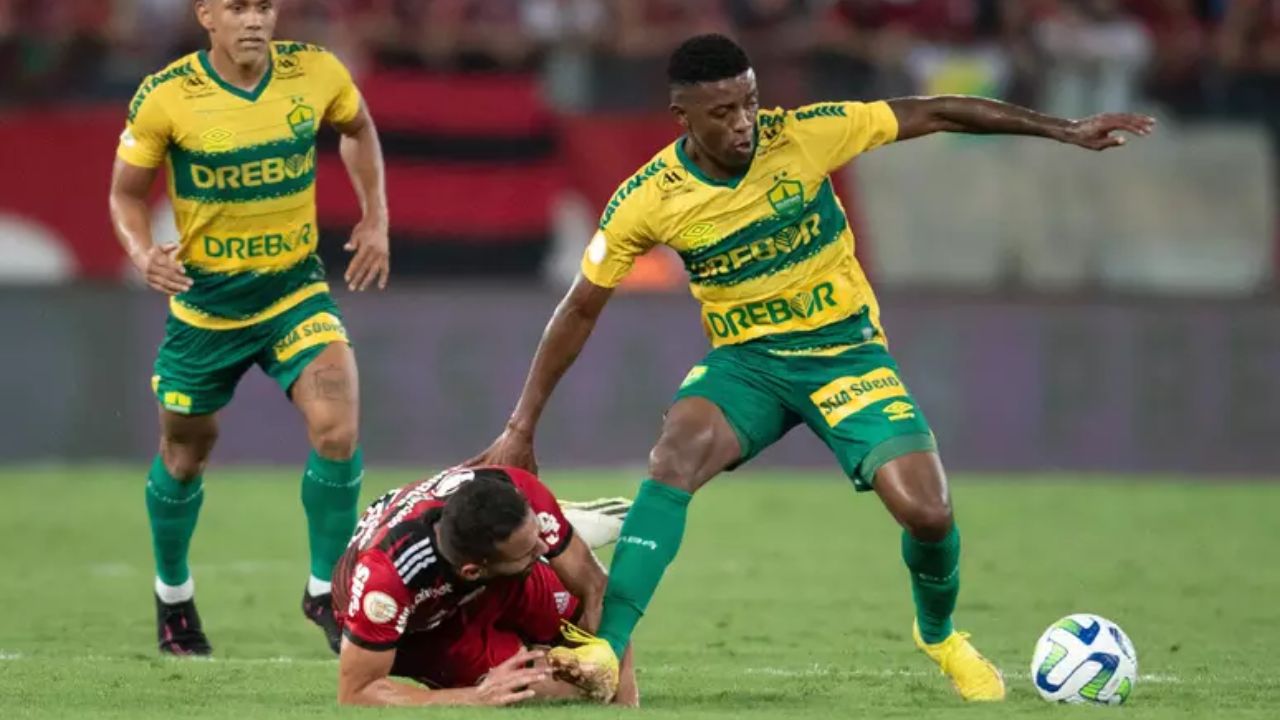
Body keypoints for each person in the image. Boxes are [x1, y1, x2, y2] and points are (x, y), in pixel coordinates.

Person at [469, 32, 1155, 702]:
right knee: (673, 457)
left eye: (749, 102)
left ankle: (939, 634)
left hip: (846, 356)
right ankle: (605, 647)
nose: (744, 123)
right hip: (748, 365)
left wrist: (1063, 129)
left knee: (927, 513)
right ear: (682, 117)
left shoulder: (807, 133)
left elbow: (939, 110)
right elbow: (581, 308)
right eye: (723, 112)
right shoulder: (648, 198)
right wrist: (521, 422)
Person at [107, 0, 390, 655]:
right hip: (206, 309)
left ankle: (327, 590)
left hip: (295, 293)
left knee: (338, 430)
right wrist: (142, 251)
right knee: (184, 457)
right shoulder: (166, 96)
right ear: (208, 15)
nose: (255, 19)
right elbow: (126, 192)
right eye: (237, 7)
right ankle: (174, 600)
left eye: (264, 5)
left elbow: (358, 126)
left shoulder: (316, 72)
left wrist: (375, 217)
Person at [332, 467, 638, 706]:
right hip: (424, 630)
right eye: (530, 549)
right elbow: (357, 692)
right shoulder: (386, 579)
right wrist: (475, 697)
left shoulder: (515, 486)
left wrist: (623, 700)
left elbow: (597, 589)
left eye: (537, 539)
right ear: (474, 569)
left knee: (591, 640)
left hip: (497, 578)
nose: (544, 551)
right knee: (536, 687)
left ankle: (554, 524)